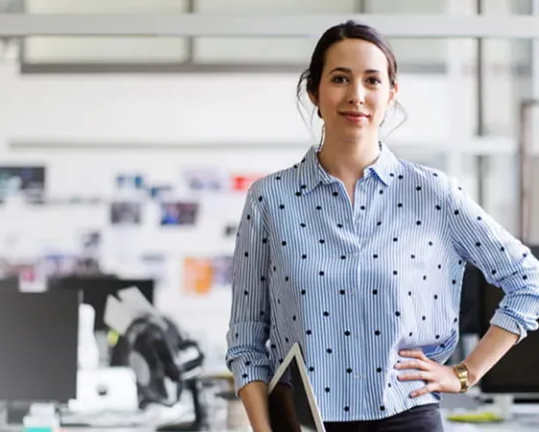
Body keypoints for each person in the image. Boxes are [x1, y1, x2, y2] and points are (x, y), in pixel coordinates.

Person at [225, 20, 539, 432]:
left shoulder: (434, 193)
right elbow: (247, 341)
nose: (356, 95)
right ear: (314, 92)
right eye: (340, 78)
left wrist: (465, 373)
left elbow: (528, 281)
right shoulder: (270, 199)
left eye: (372, 80)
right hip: (305, 421)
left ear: (390, 94)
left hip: (407, 417)